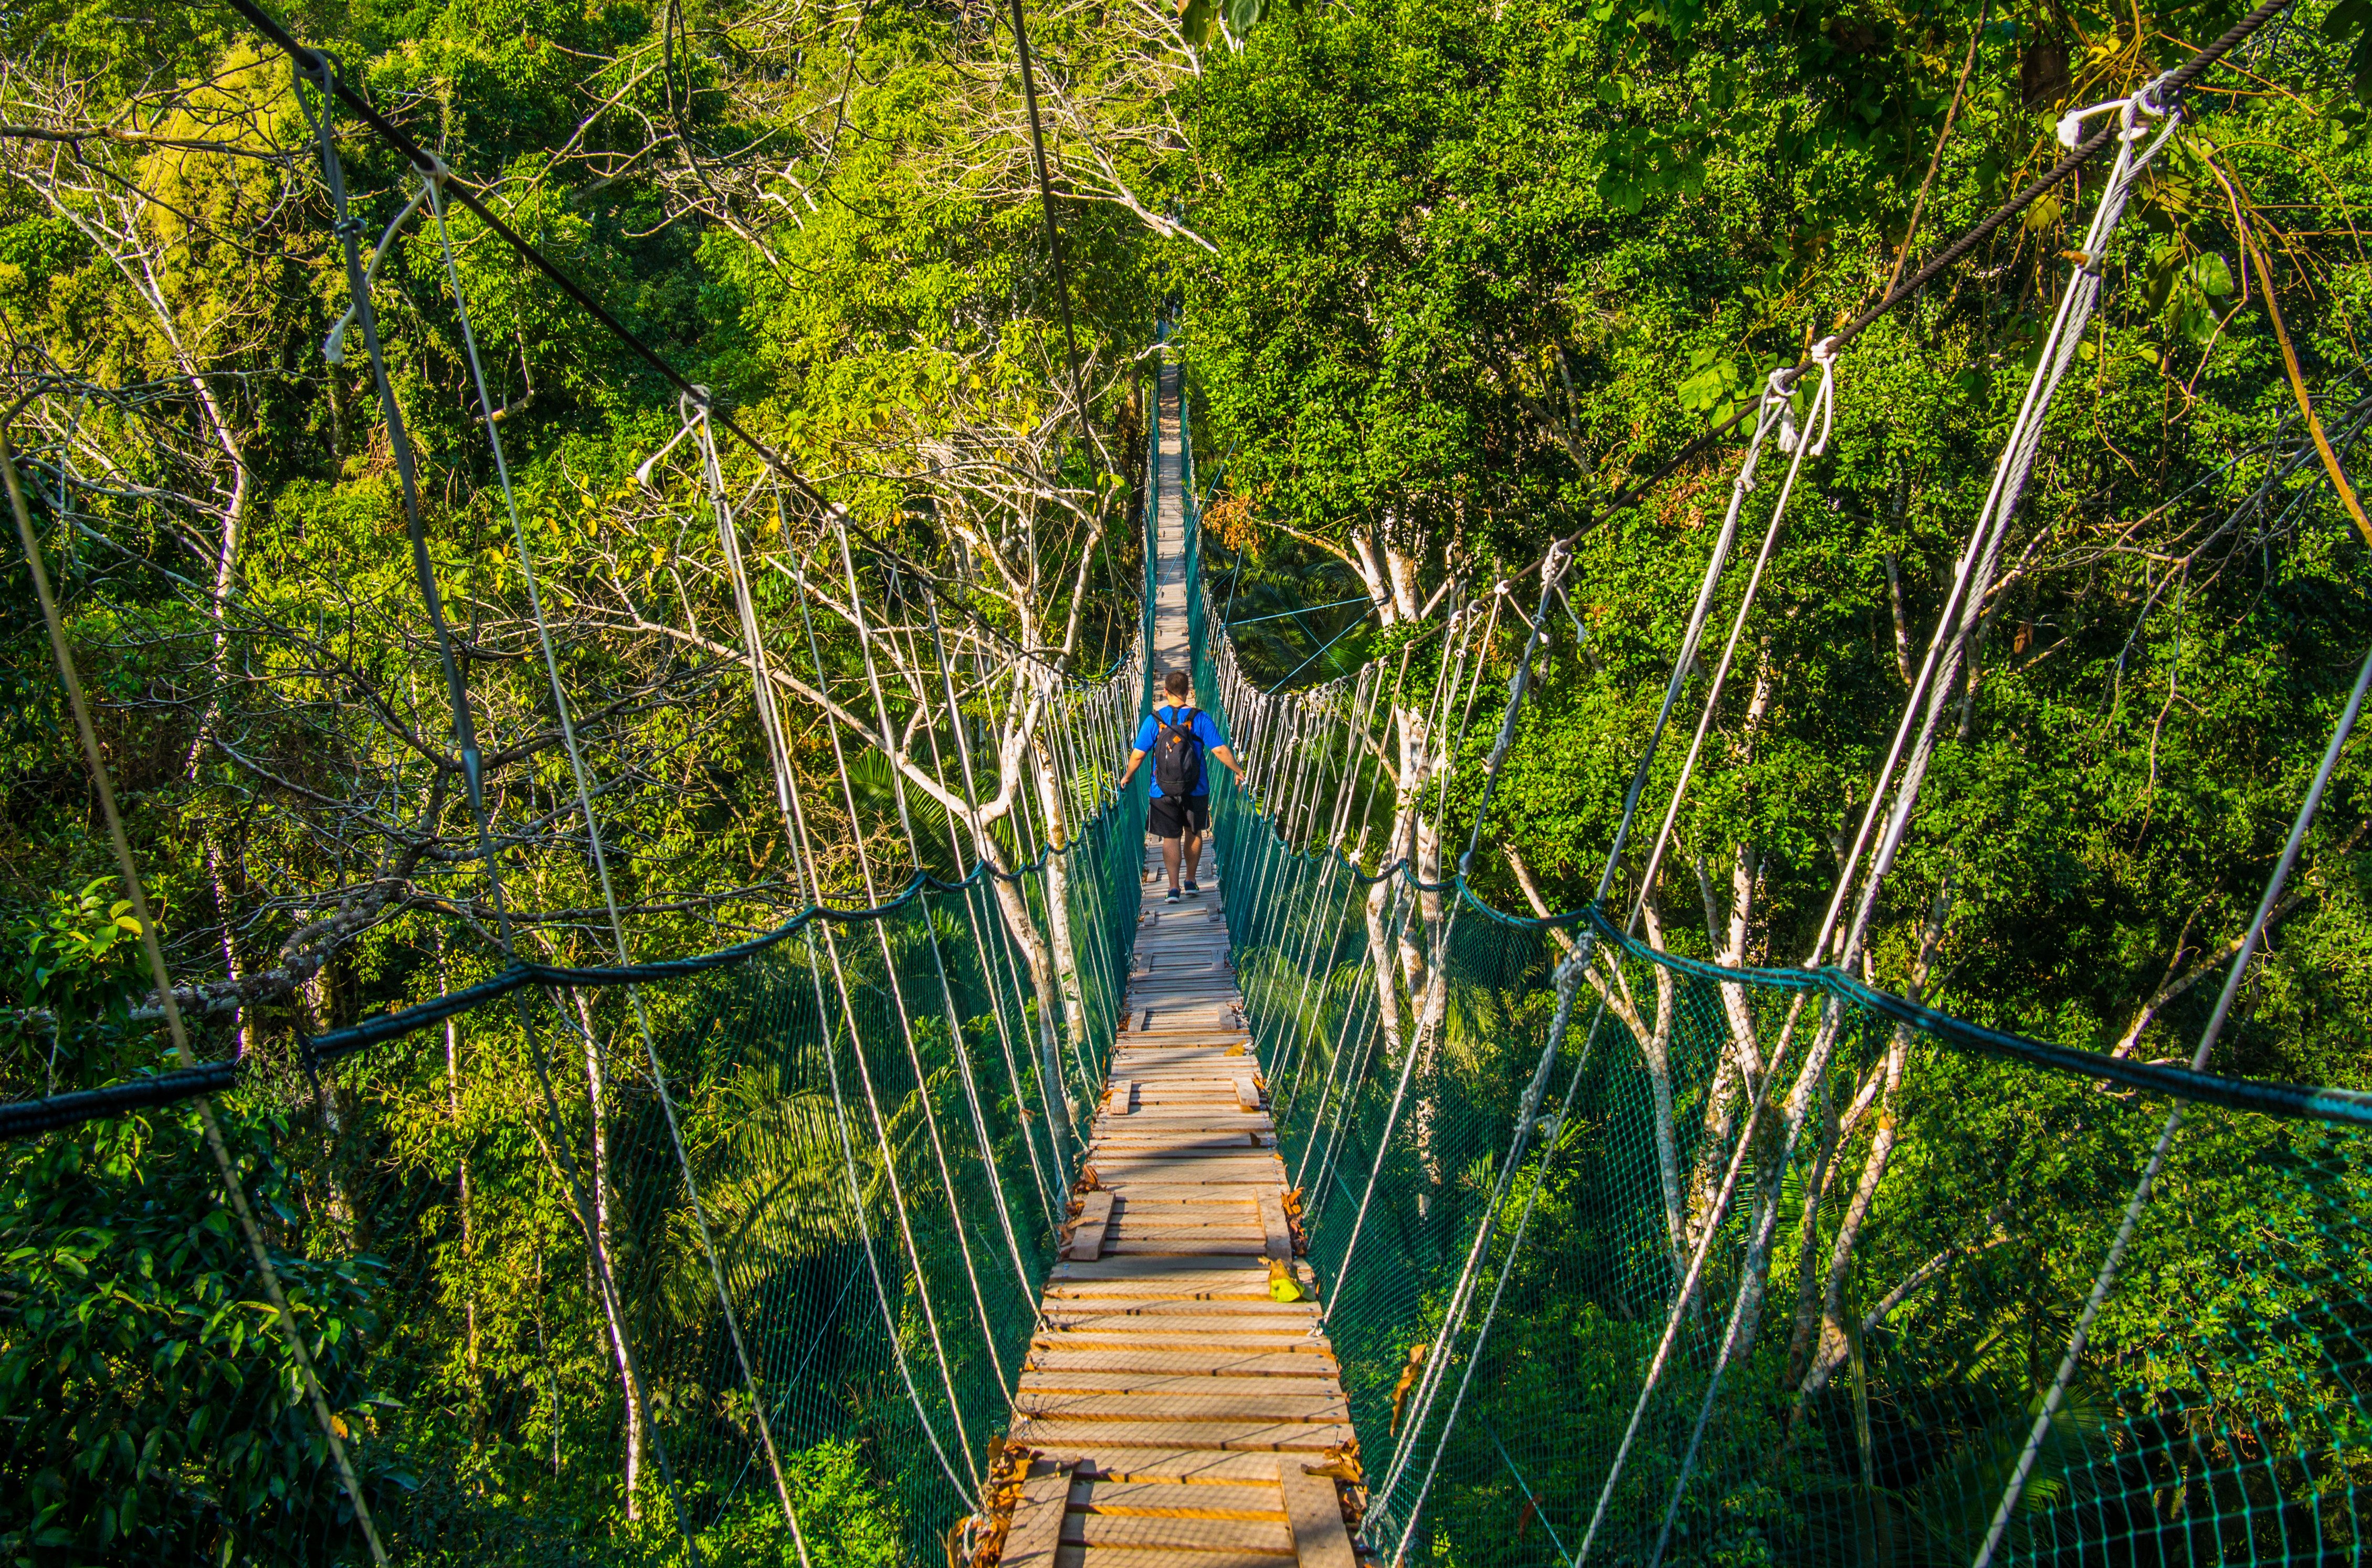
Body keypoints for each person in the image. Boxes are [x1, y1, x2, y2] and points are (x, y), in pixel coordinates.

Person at [1118, 669, 1245, 903]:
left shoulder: (1154, 720)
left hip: (1161, 790)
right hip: (1196, 788)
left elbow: (1138, 755)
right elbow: (1218, 750)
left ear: (1165, 692)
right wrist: (1238, 771)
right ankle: (1191, 881)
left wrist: (1128, 776)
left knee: (1170, 837)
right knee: (1194, 832)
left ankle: (1173, 888)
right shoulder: (1200, 718)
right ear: (1188, 692)